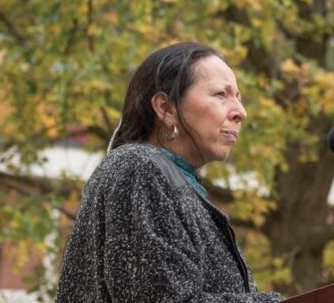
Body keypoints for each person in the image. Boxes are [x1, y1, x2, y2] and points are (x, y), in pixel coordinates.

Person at [57, 42, 283, 302]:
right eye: (221, 94)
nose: (240, 112)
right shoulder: (138, 169)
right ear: (165, 108)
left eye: (238, 97)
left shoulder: (165, 179)